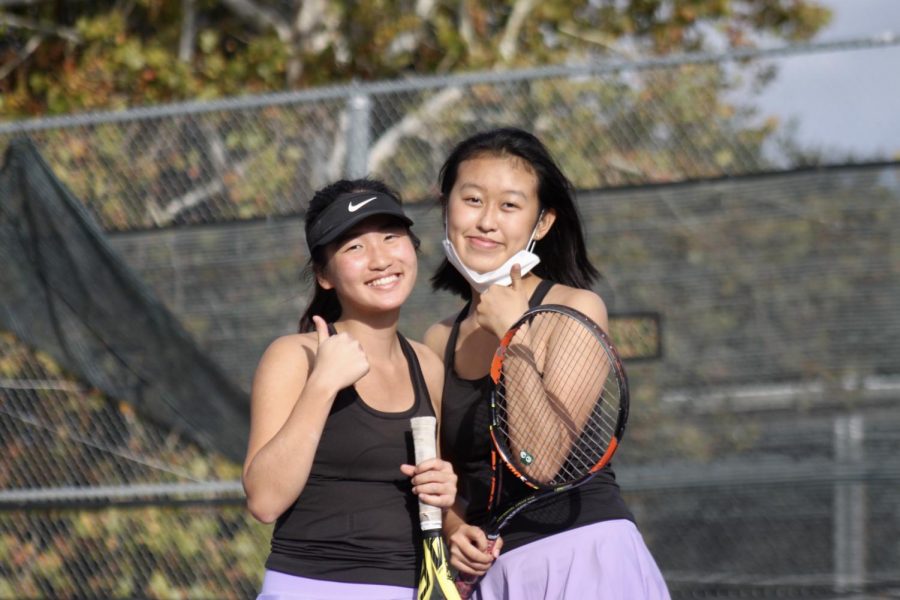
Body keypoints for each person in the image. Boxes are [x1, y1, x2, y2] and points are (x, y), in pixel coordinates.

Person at [424, 127, 669, 599]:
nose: (486, 221)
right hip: (493, 577)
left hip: (585, 557)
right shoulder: (437, 339)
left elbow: (541, 461)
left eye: (510, 205)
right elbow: (441, 476)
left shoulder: (576, 309)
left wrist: (513, 335)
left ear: (543, 222)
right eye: (472, 199)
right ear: (446, 208)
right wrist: (455, 528)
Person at [243, 178, 457, 600]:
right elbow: (264, 501)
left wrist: (449, 502)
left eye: (391, 237)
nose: (380, 259)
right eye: (354, 247)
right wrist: (322, 384)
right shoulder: (294, 356)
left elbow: (435, 499)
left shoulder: (427, 364)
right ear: (324, 275)